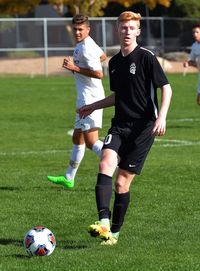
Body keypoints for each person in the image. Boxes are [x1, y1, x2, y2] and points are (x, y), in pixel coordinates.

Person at [78, 11, 172, 245]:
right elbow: (118, 96)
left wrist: (162, 117)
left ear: (138, 31)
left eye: (131, 28)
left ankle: (114, 234)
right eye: (123, 28)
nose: (127, 32)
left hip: (143, 128)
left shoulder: (147, 57)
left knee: (121, 183)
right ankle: (104, 222)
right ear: (117, 30)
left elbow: (166, 88)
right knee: (104, 163)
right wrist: (93, 106)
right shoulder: (114, 63)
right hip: (120, 124)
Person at [47, 14, 106, 189]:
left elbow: (99, 73)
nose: (77, 32)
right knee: (77, 137)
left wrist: (75, 68)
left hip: (91, 100)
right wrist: (78, 69)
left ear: (88, 29)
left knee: (91, 142)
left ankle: (119, 160)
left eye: (81, 29)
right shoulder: (85, 45)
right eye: (75, 29)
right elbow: (102, 56)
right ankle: (69, 177)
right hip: (84, 98)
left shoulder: (87, 47)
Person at [183, 24, 200, 105]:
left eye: (197, 32)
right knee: (199, 100)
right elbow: (192, 60)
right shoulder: (195, 46)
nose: (195, 34)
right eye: (194, 32)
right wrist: (187, 63)